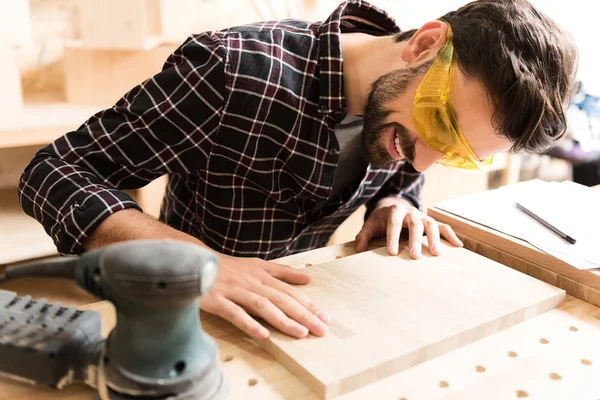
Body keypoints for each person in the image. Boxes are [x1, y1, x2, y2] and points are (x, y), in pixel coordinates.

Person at [18, 0, 578, 340]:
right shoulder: (234, 71)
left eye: (456, 153)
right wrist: (200, 264)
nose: (425, 159)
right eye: (439, 125)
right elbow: (55, 171)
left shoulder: (402, 115)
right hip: (183, 312)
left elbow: (409, 170)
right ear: (425, 44)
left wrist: (396, 203)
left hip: (303, 316)